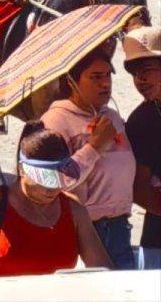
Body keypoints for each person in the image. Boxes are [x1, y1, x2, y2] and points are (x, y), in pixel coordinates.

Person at [0, 121, 111, 278]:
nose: (52, 188)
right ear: (22, 169)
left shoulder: (74, 210)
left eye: (59, 179)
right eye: (44, 179)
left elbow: (103, 269)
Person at [39, 48, 137, 269]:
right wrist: (94, 147)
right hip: (83, 232)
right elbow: (53, 180)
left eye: (107, 75)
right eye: (95, 77)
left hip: (120, 229)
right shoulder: (54, 122)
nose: (105, 83)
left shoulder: (112, 117)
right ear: (71, 81)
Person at [122, 26, 161, 269]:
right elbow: (139, 188)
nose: (140, 80)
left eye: (147, 71)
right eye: (135, 74)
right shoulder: (141, 122)